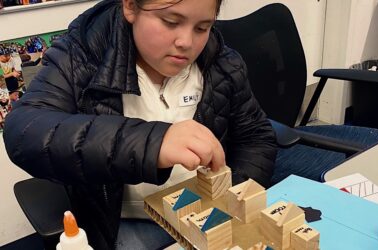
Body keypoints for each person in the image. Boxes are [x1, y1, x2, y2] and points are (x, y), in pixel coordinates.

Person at [3, 0, 277, 249]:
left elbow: (256, 136)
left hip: (208, 212)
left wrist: (233, 198)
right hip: (125, 221)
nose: (186, 42)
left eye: (202, 27)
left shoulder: (223, 62)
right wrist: (152, 142)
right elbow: (24, 131)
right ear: (131, 7)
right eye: (171, 22)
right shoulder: (79, 55)